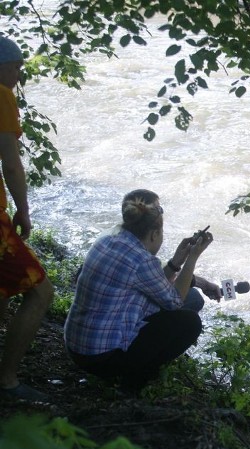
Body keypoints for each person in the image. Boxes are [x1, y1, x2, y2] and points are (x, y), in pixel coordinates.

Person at [64, 189, 212, 392]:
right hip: (100, 358)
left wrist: (177, 260)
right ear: (154, 234)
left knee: (192, 298)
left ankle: (131, 370)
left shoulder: (108, 238)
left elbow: (154, 283)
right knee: (189, 322)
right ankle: (133, 383)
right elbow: (175, 300)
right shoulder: (142, 260)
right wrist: (193, 257)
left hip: (77, 346)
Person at [0, 35, 53, 402]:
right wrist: (24, 209)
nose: (20, 73)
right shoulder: (1, 96)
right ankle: (6, 382)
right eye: (17, 65)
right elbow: (11, 164)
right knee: (40, 292)